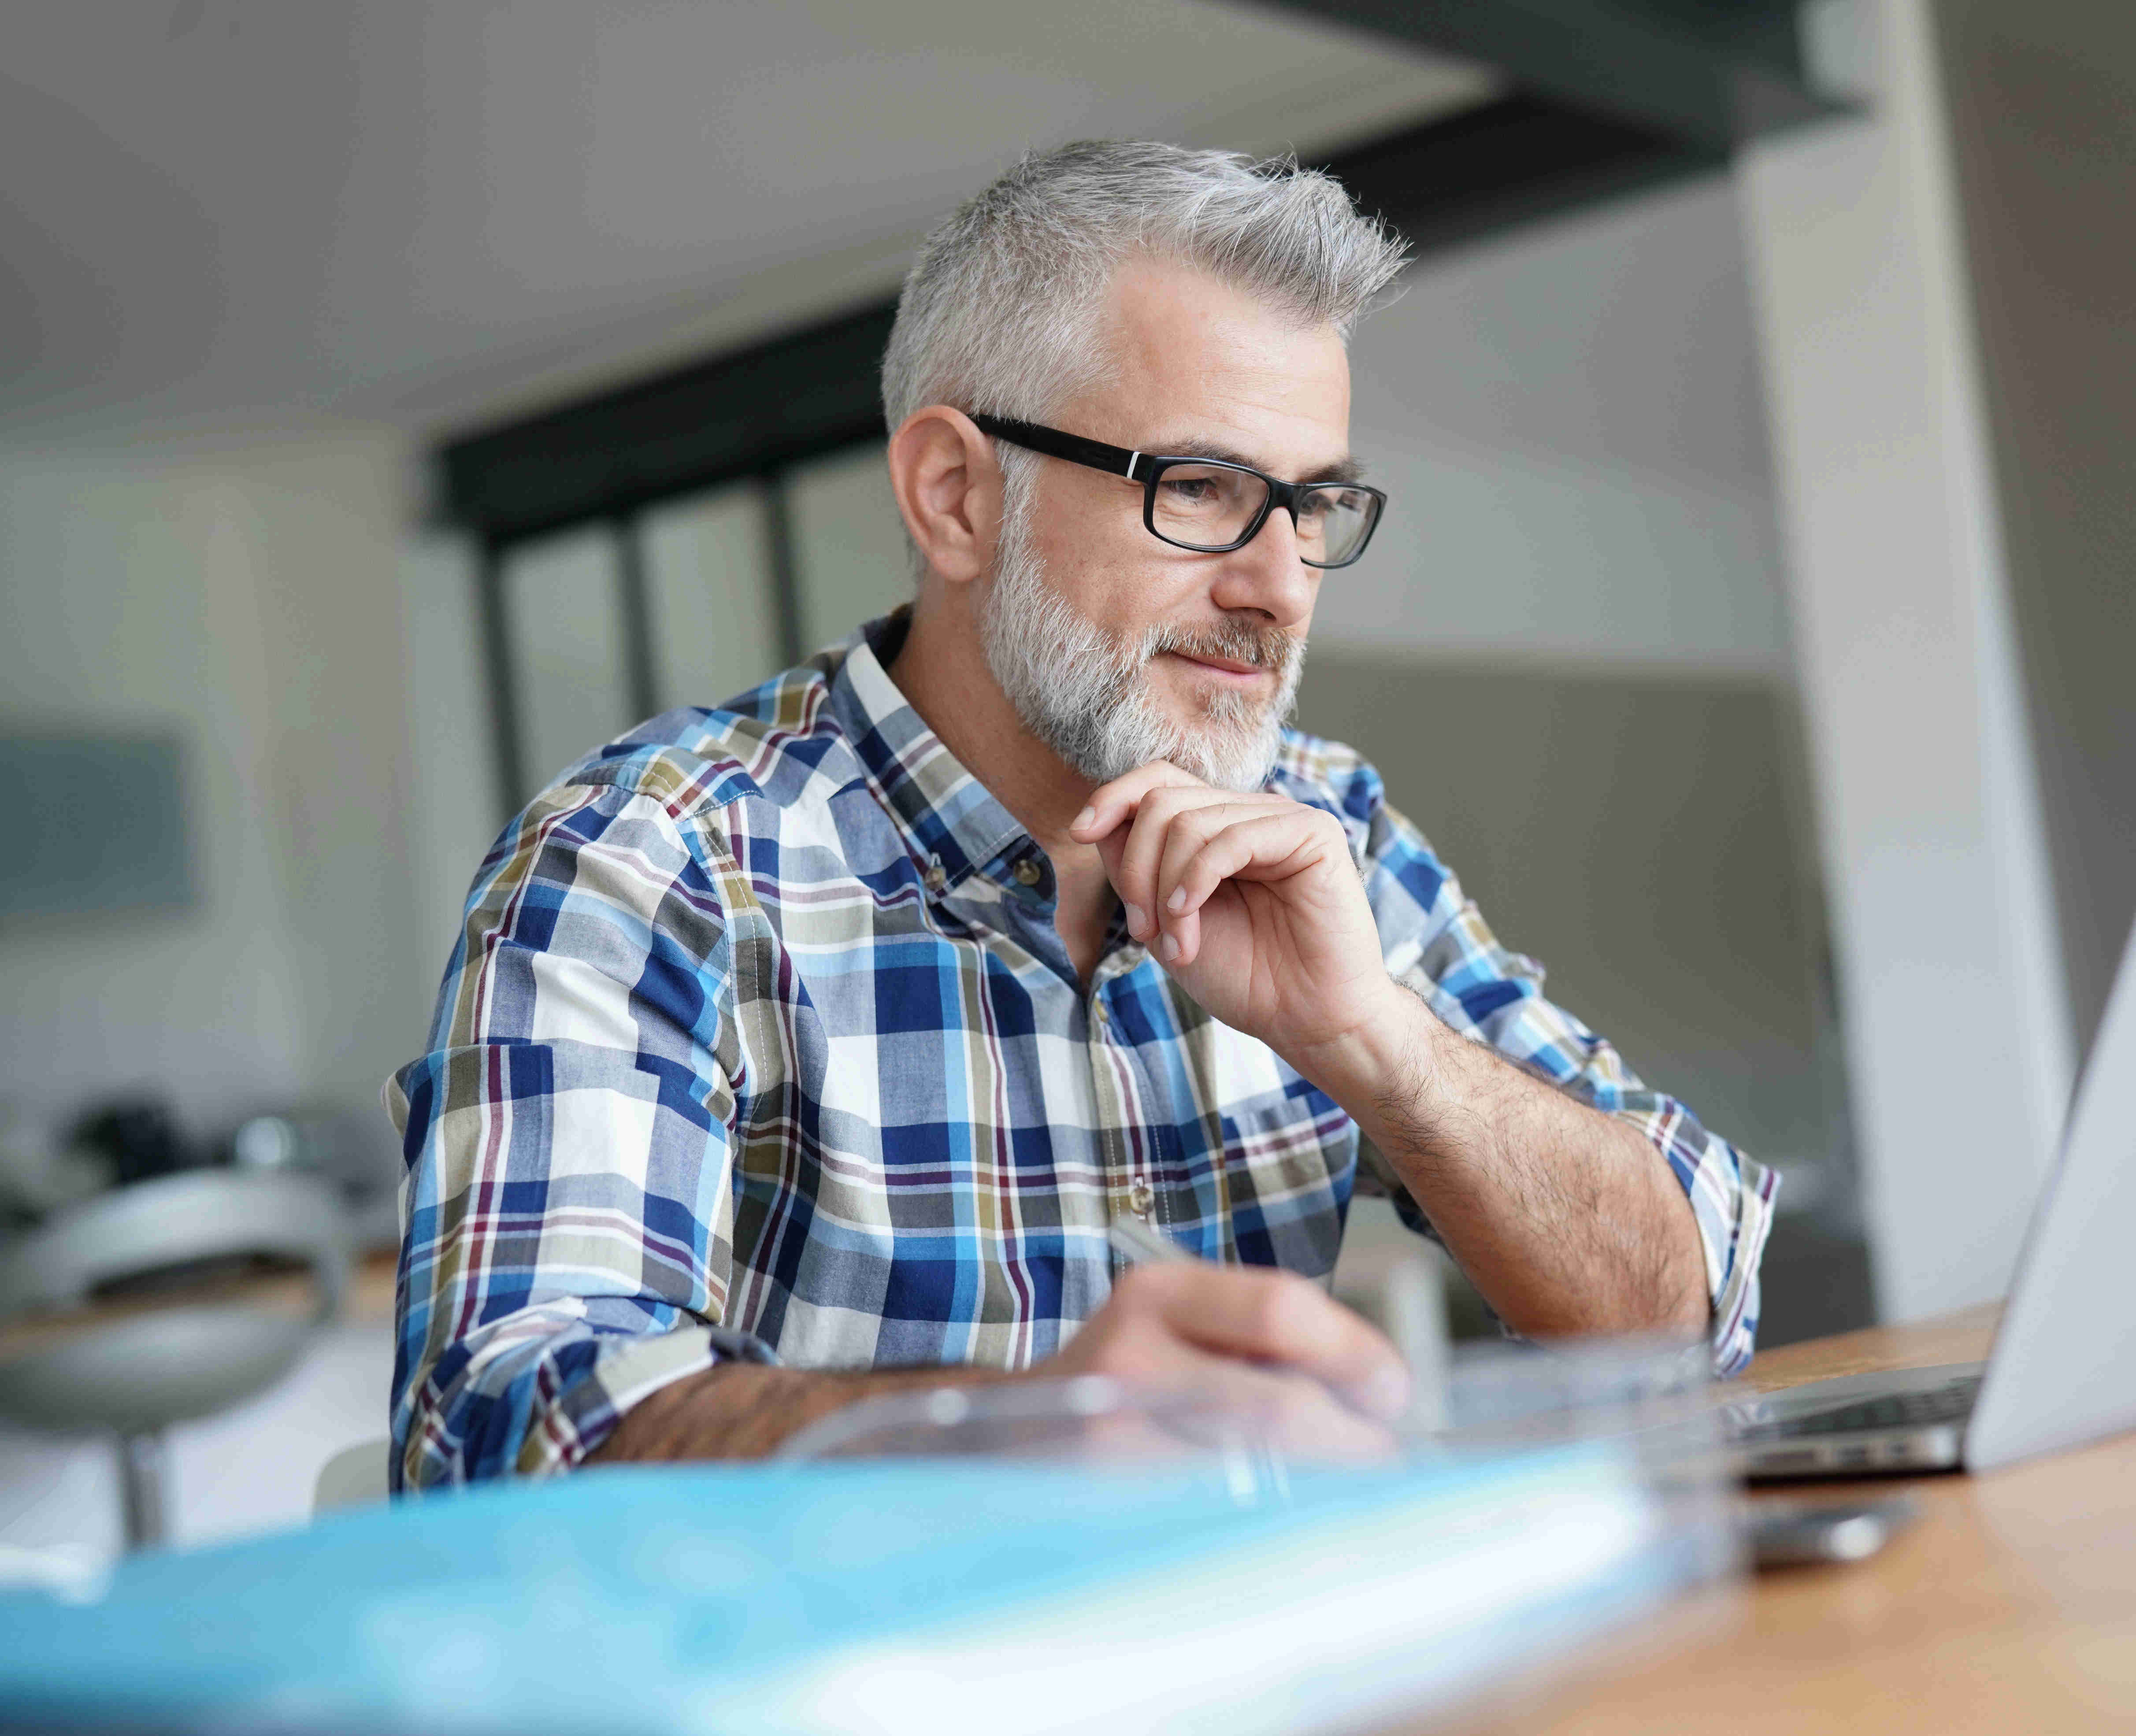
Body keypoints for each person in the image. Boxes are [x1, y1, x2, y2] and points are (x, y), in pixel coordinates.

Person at [386, 141, 1776, 1487]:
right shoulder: (652, 860)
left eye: (1315, 507)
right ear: (955, 496)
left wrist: (1376, 1045)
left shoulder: (1321, 822)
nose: (1282, 588)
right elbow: (499, 1437)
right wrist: (1019, 1429)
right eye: (1206, 490)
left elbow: (1691, 1305)